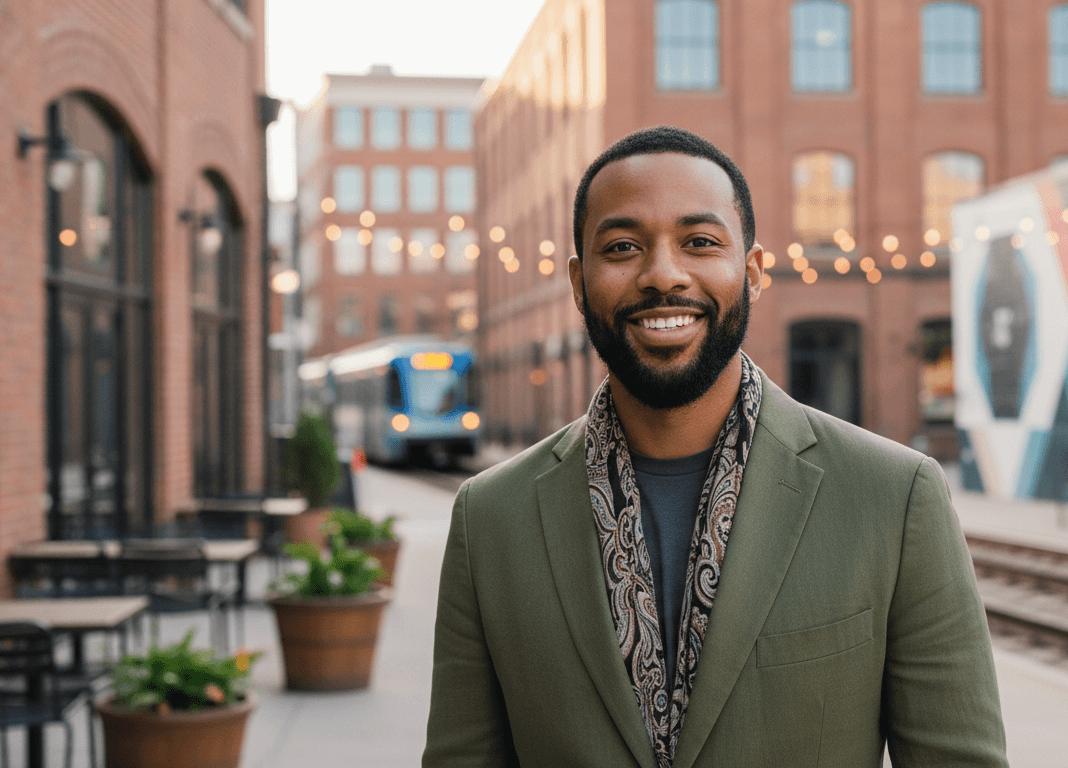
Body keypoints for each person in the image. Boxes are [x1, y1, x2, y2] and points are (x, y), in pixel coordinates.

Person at [423, 126, 1008, 767]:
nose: (663, 275)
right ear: (578, 282)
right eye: (622, 247)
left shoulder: (894, 497)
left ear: (753, 272)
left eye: (700, 242)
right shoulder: (489, 519)